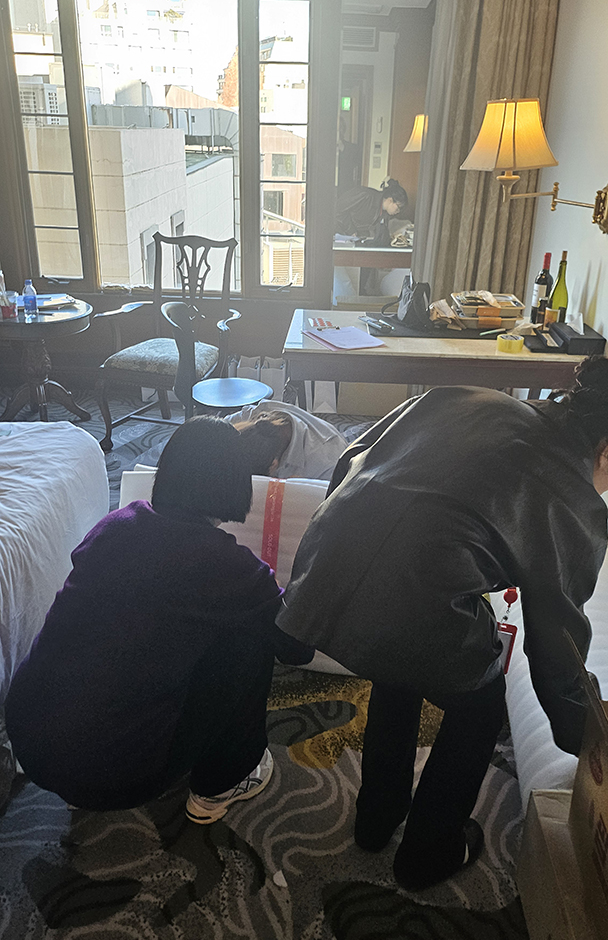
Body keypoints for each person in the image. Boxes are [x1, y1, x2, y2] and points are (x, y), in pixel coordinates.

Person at [277, 356, 608, 889]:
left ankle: (376, 817)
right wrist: (590, 740)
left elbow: (353, 456)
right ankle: (427, 853)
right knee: (480, 704)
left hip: (326, 562)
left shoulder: (465, 397)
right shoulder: (572, 497)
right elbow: (557, 643)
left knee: (400, 665)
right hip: (409, 591)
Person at [6, 417, 308, 822]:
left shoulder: (113, 525)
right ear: (238, 485)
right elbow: (297, 647)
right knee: (251, 639)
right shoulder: (230, 567)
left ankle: (80, 766)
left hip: (28, 738)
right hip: (119, 774)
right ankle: (222, 783)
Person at [227, 400, 348, 481]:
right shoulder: (252, 416)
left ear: (273, 465)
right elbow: (217, 431)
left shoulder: (328, 465)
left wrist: (298, 490)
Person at [334, 177, 407, 245]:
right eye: (398, 207)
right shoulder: (366, 196)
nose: (398, 211)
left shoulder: (385, 213)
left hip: (356, 240)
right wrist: (351, 230)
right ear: (390, 200)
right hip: (339, 235)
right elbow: (338, 210)